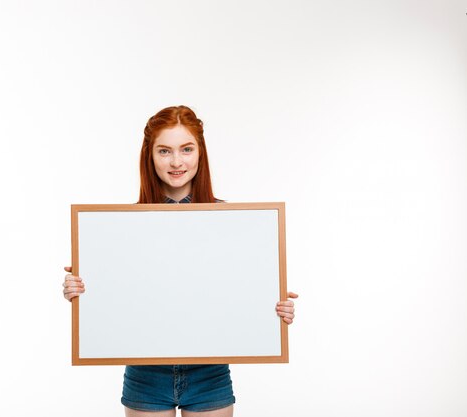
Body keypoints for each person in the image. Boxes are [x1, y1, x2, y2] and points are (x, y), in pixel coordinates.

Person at [62, 105, 298, 417]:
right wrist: (79, 290)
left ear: (200, 153)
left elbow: (241, 290)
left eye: (186, 149)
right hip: (145, 374)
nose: (176, 162)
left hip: (209, 374)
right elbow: (118, 297)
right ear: (150, 155)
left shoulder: (234, 224)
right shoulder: (120, 227)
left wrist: (275, 308)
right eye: (164, 151)